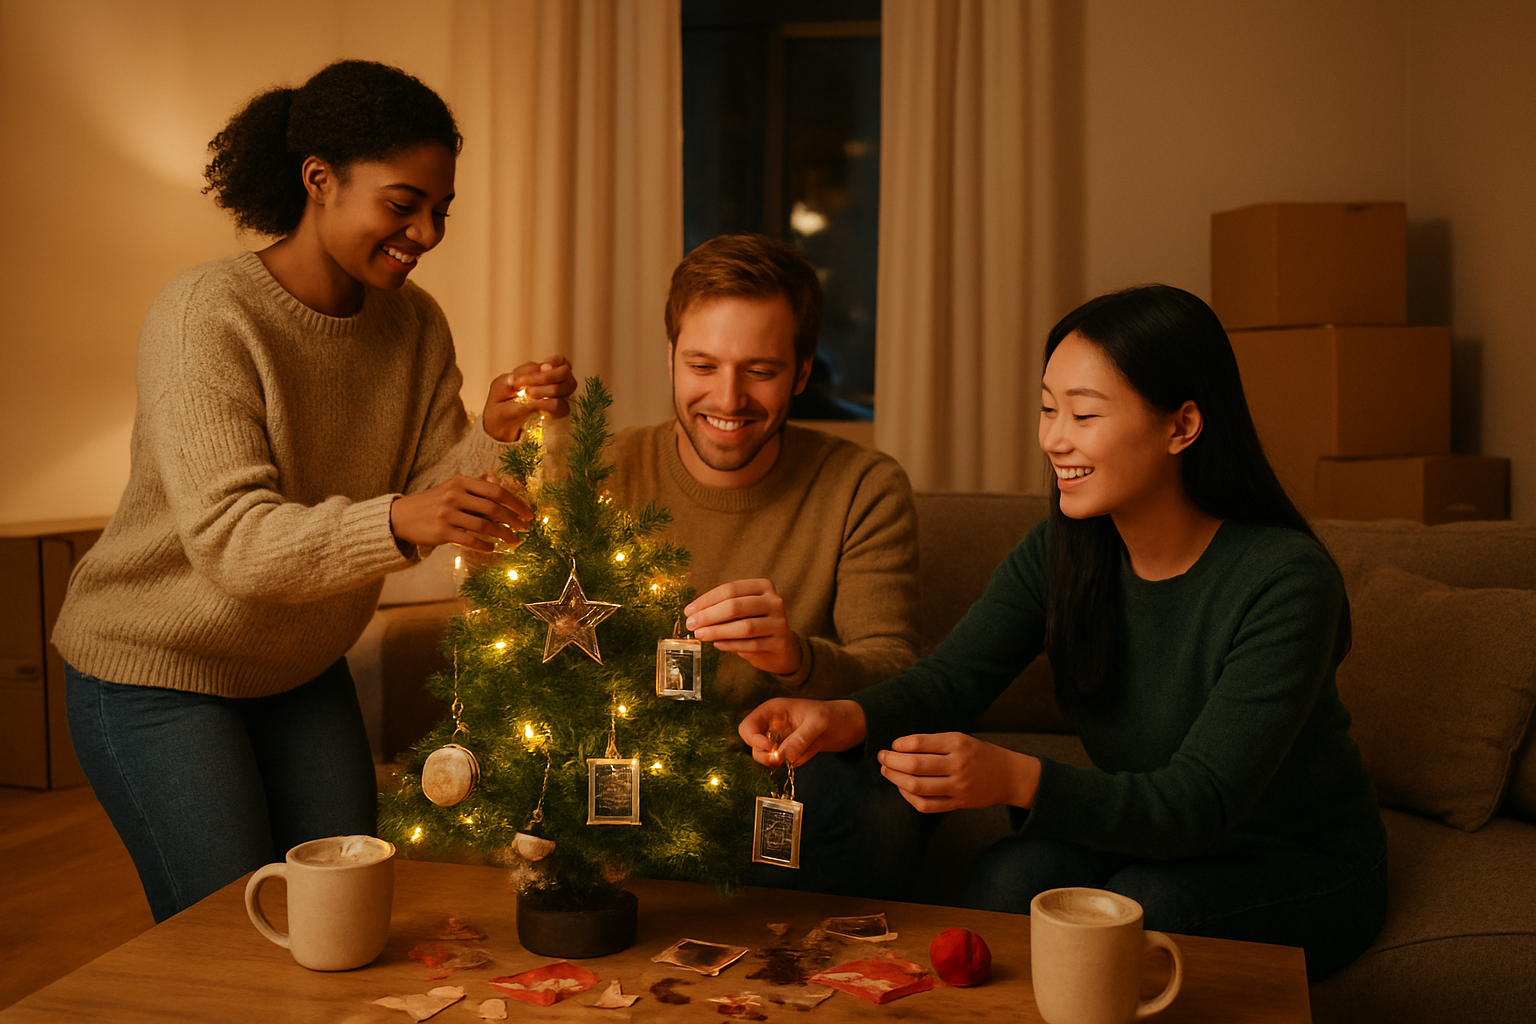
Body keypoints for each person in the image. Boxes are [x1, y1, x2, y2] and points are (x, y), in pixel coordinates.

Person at [740, 284, 1389, 981]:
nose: (1053, 438)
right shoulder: (1065, 548)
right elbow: (952, 680)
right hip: (1143, 838)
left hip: (1291, 860)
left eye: (1084, 413)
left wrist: (1014, 777)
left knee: (1145, 907)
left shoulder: (1285, 580)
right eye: (1049, 409)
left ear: (1182, 425)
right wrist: (841, 716)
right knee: (1010, 878)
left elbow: (1197, 805)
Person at [51, 60, 575, 922]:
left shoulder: (415, 323)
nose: (426, 232)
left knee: (346, 914)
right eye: (403, 204)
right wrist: (405, 516)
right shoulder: (205, 314)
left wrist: (494, 428)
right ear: (319, 180)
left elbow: (434, 496)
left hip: (299, 665)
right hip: (159, 672)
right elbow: (233, 541)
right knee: (233, 932)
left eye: (441, 210)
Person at [603, 233, 926, 897]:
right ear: (670, 360)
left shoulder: (863, 486)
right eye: (702, 365)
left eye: (760, 370)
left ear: (802, 373)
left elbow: (897, 673)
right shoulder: (603, 472)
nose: (728, 399)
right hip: (630, 766)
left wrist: (795, 660)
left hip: (787, 776)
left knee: (877, 801)